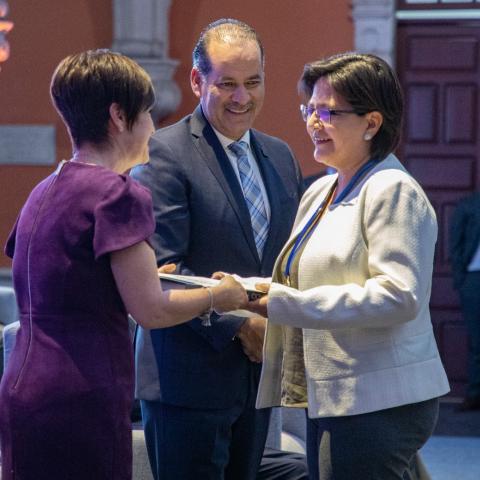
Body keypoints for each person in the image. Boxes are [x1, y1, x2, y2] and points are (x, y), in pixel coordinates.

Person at [0, 49, 248, 480]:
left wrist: (148, 279)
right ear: (119, 115)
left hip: (22, 386)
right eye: (148, 113)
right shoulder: (117, 193)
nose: (153, 127)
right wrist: (219, 295)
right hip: (83, 392)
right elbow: (150, 311)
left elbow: (70, 282)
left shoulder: (43, 188)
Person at [248, 52, 450, 480]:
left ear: (372, 123)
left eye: (328, 112)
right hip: (334, 394)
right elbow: (305, 280)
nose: (312, 123)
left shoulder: (393, 190)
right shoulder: (320, 190)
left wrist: (284, 303)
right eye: (309, 109)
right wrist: (245, 289)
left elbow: (399, 296)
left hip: (379, 399)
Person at [131, 18, 304, 480]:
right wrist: (238, 324)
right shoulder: (161, 153)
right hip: (186, 380)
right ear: (196, 80)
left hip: (257, 376)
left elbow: (285, 260)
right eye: (226, 84)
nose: (241, 97)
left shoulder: (281, 155)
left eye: (253, 82)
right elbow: (164, 268)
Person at [449, 192, 480, 411]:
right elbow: (455, 243)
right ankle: (475, 394)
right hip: (474, 279)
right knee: (477, 340)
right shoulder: (469, 205)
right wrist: (461, 278)